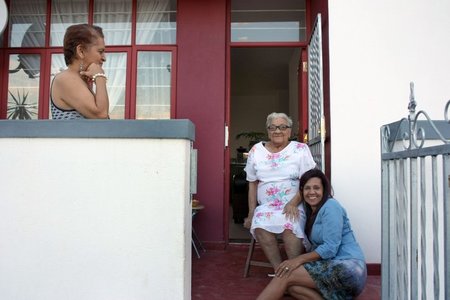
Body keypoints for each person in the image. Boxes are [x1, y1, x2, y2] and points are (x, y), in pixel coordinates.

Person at [256, 169, 367, 300]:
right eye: (307, 188)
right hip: (332, 266)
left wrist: (297, 260)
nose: (312, 192)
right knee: (292, 287)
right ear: (301, 191)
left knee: (284, 275)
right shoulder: (309, 210)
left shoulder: (331, 206)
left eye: (316, 188)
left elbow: (330, 248)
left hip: (349, 268)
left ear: (324, 190)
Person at [243, 112, 316, 270]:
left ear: (289, 130)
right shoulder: (256, 151)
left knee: (290, 224)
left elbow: (308, 181)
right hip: (266, 207)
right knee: (260, 223)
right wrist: (251, 212)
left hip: (294, 203)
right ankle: (279, 271)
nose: (278, 131)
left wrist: (293, 203)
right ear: (268, 130)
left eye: (283, 127)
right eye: (273, 127)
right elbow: (252, 183)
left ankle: (293, 269)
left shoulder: (300, 149)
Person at [51, 24, 109, 119]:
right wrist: (100, 77)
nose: (104, 58)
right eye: (100, 51)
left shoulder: (79, 80)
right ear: (81, 51)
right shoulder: (66, 79)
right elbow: (101, 115)